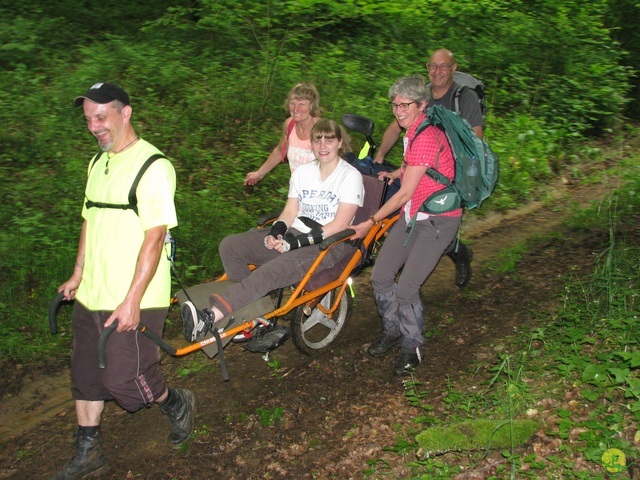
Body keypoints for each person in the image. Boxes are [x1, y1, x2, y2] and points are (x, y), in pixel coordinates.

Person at [54, 83, 195, 479]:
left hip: (136, 294)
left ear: (125, 113)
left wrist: (133, 299)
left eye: (102, 117)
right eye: (88, 120)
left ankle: (176, 402)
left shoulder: (154, 166)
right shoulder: (97, 163)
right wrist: (79, 273)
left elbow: (155, 235)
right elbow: (90, 218)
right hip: (93, 290)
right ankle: (89, 450)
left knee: (125, 381)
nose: (94, 127)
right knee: (84, 375)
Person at [182, 119, 364, 338]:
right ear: (312, 144)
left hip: (329, 243)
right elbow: (289, 212)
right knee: (231, 246)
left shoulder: (350, 176)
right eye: (318, 140)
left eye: (329, 140)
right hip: (295, 232)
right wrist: (275, 233)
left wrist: (293, 244)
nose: (323, 145)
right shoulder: (303, 172)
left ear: (340, 143)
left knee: (269, 272)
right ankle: (254, 314)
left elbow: (339, 224)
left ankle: (209, 318)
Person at [351, 75, 461, 377]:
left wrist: (370, 222)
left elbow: (403, 194)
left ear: (421, 104)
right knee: (382, 277)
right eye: (395, 104)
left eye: (405, 104)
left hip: (437, 221)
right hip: (414, 215)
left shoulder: (425, 135)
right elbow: (416, 166)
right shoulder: (413, 132)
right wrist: (396, 171)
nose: (398, 110)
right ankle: (393, 330)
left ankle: (411, 346)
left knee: (408, 289)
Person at [372, 49, 483, 289]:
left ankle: (457, 256)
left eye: (444, 66)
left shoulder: (464, 98)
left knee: (438, 223)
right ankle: (419, 268)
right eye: (433, 66)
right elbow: (398, 129)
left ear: (454, 68)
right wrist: (381, 156)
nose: (437, 71)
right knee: (423, 220)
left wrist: (463, 178)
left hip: (451, 176)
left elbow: (476, 141)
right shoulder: (419, 96)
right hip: (424, 170)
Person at [244, 82, 324, 186]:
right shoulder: (289, 125)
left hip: (323, 193)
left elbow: (335, 164)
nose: (296, 109)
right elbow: (279, 151)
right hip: (299, 191)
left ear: (312, 106)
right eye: (292, 103)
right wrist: (259, 173)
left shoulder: (322, 129)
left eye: (302, 104)